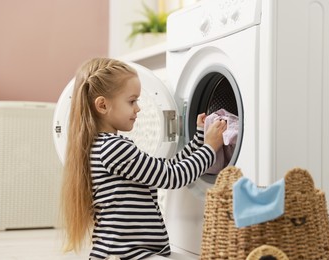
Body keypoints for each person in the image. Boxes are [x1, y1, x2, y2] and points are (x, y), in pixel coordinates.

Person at [61, 57, 227, 260]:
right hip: (128, 255)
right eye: (132, 101)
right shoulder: (114, 149)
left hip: (129, 253)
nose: (138, 108)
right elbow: (172, 177)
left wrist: (200, 137)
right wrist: (210, 148)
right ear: (103, 105)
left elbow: (164, 167)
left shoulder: (103, 146)